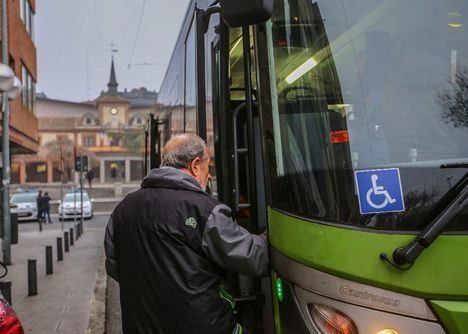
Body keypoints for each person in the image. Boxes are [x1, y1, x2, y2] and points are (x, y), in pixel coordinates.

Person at [104, 134, 269, 334]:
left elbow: (115, 267)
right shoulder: (205, 210)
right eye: (208, 168)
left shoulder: (122, 209)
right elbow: (255, 258)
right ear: (195, 165)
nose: (209, 176)